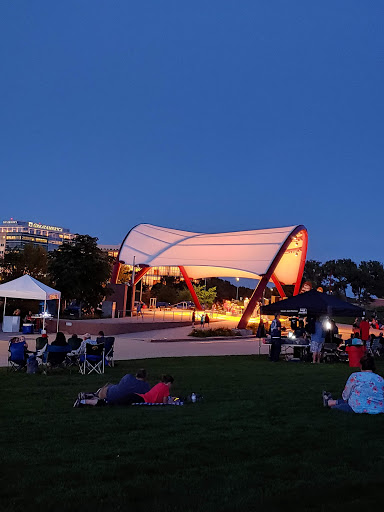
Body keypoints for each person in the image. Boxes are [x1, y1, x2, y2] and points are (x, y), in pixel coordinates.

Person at [77, 369, 151, 406]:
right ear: (145, 377)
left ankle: (92, 395)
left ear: (136, 375)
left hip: (110, 393)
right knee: (109, 389)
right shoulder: (146, 387)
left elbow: (121, 385)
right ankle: (92, 396)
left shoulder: (128, 377)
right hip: (118, 399)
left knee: (109, 385)